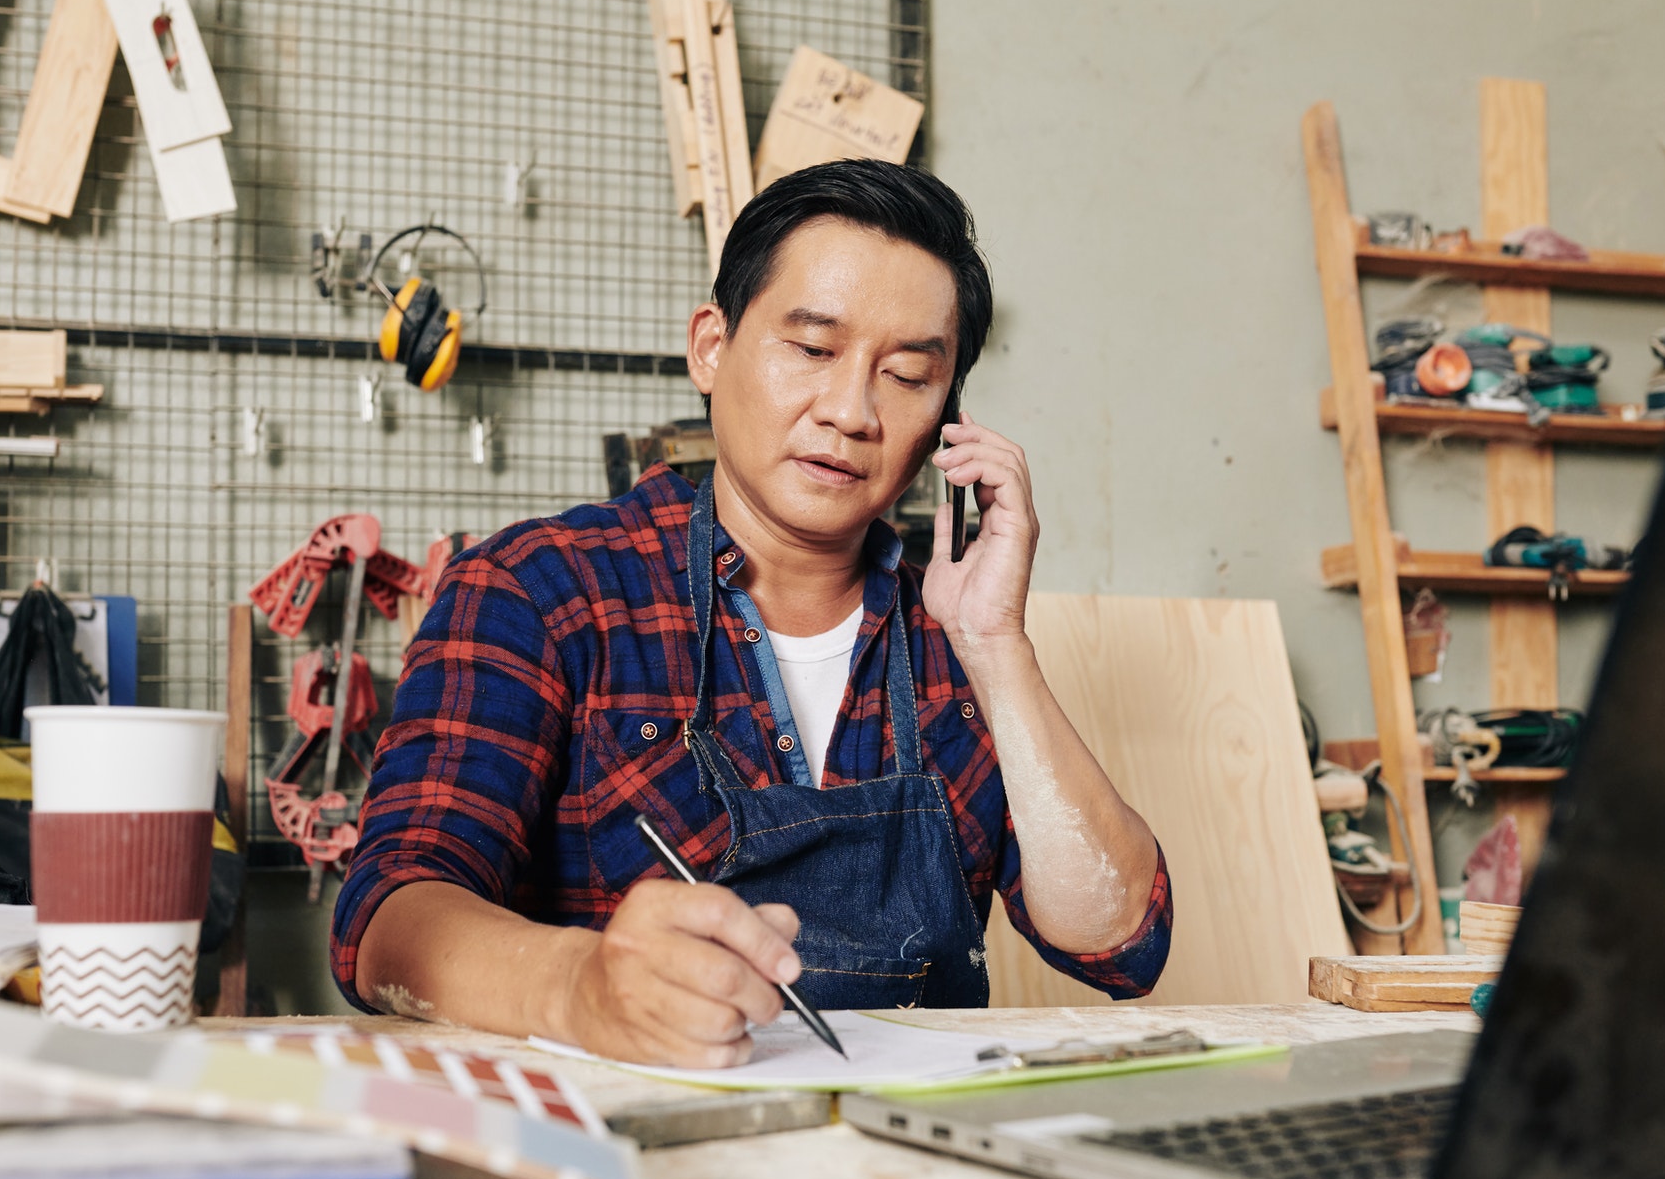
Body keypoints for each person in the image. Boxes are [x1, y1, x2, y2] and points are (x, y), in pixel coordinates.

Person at [332, 159, 1171, 1067]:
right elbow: (390, 918)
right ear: (711, 346)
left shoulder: (952, 641)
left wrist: (995, 645)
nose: (851, 411)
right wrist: (583, 988)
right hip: (639, 1155)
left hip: (911, 1157)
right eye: (812, 350)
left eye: (906, 375)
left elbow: (1121, 943)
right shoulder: (542, 591)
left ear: (948, 423)